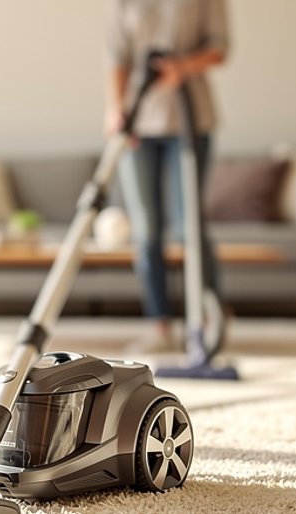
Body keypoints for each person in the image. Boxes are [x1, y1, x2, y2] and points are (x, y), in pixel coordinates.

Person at [106, 0, 229, 352]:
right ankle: (159, 324)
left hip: (191, 118)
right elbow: (117, 56)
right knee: (145, 229)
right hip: (139, 121)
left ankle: (207, 321)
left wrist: (183, 67)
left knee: (188, 224)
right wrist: (116, 108)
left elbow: (219, 47)